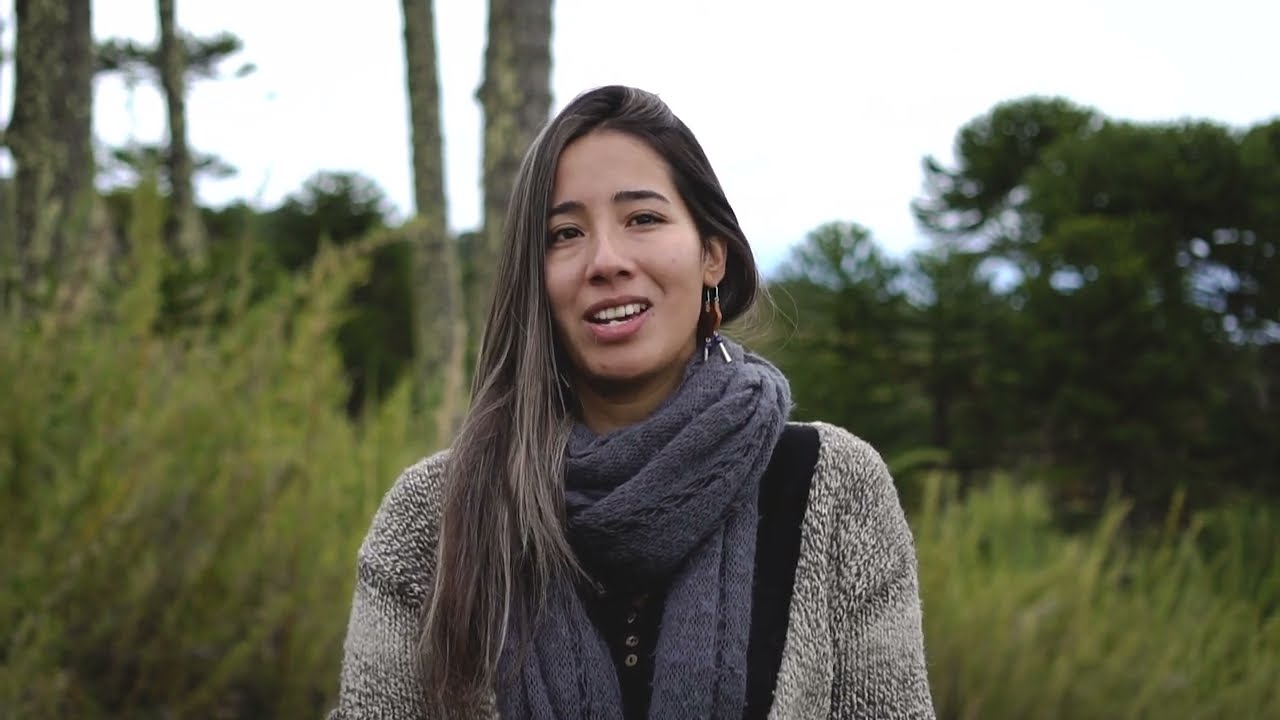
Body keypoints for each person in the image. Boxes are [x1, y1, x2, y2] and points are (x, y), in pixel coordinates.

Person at [329, 85, 935, 720]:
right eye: (564, 233)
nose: (606, 261)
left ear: (711, 254)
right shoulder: (433, 516)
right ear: (533, 280)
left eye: (643, 218)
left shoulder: (833, 491)